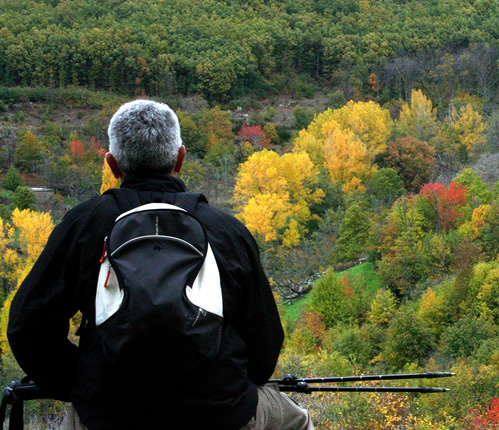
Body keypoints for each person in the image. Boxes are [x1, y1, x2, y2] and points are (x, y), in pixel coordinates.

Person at [7, 100, 313, 430]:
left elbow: (27, 325)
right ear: (180, 159)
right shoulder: (225, 229)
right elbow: (265, 341)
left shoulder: (83, 225)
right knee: (296, 420)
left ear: (112, 165)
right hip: (219, 412)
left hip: (106, 414)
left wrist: (81, 383)